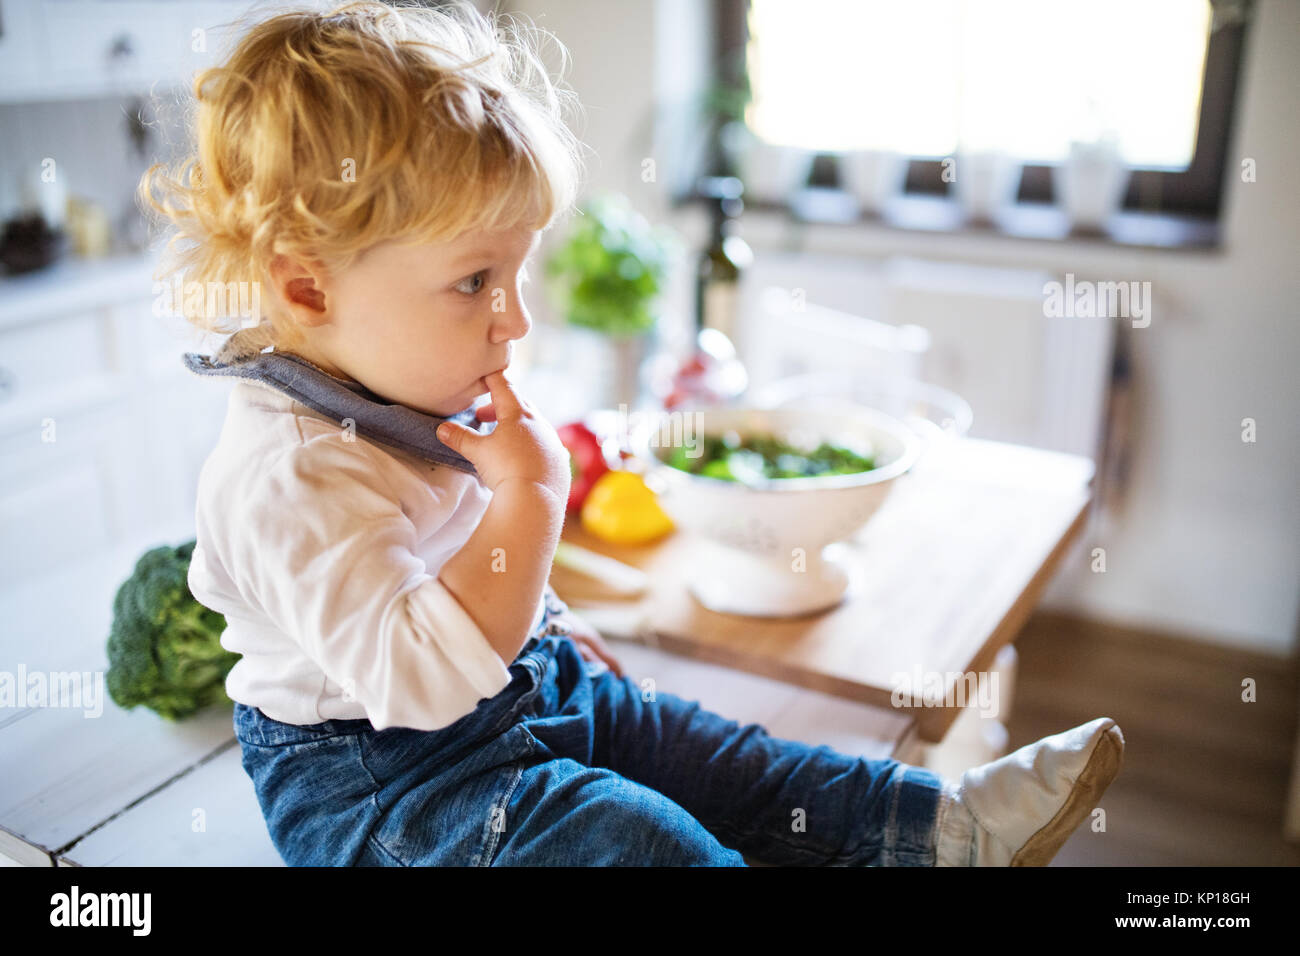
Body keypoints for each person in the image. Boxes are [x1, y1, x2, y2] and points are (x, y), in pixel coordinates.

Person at [140, 0, 1124, 867]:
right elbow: (427, 677)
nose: (512, 318)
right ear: (309, 284)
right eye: (474, 280)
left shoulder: (393, 373)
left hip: (507, 686)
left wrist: (552, 618)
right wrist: (531, 498)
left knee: (704, 748)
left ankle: (935, 827)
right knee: (624, 836)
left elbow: (452, 548)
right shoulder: (289, 477)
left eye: (515, 274)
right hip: (386, 784)